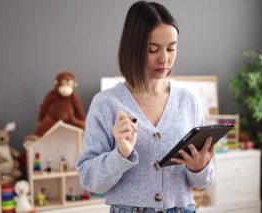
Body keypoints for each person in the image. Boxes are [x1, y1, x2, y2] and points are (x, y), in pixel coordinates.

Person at [76, 1, 215, 212]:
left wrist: (200, 168)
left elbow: (204, 181)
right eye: (153, 50)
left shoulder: (188, 101)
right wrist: (120, 155)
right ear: (134, 49)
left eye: (171, 48)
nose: (164, 59)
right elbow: (89, 180)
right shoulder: (106, 103)